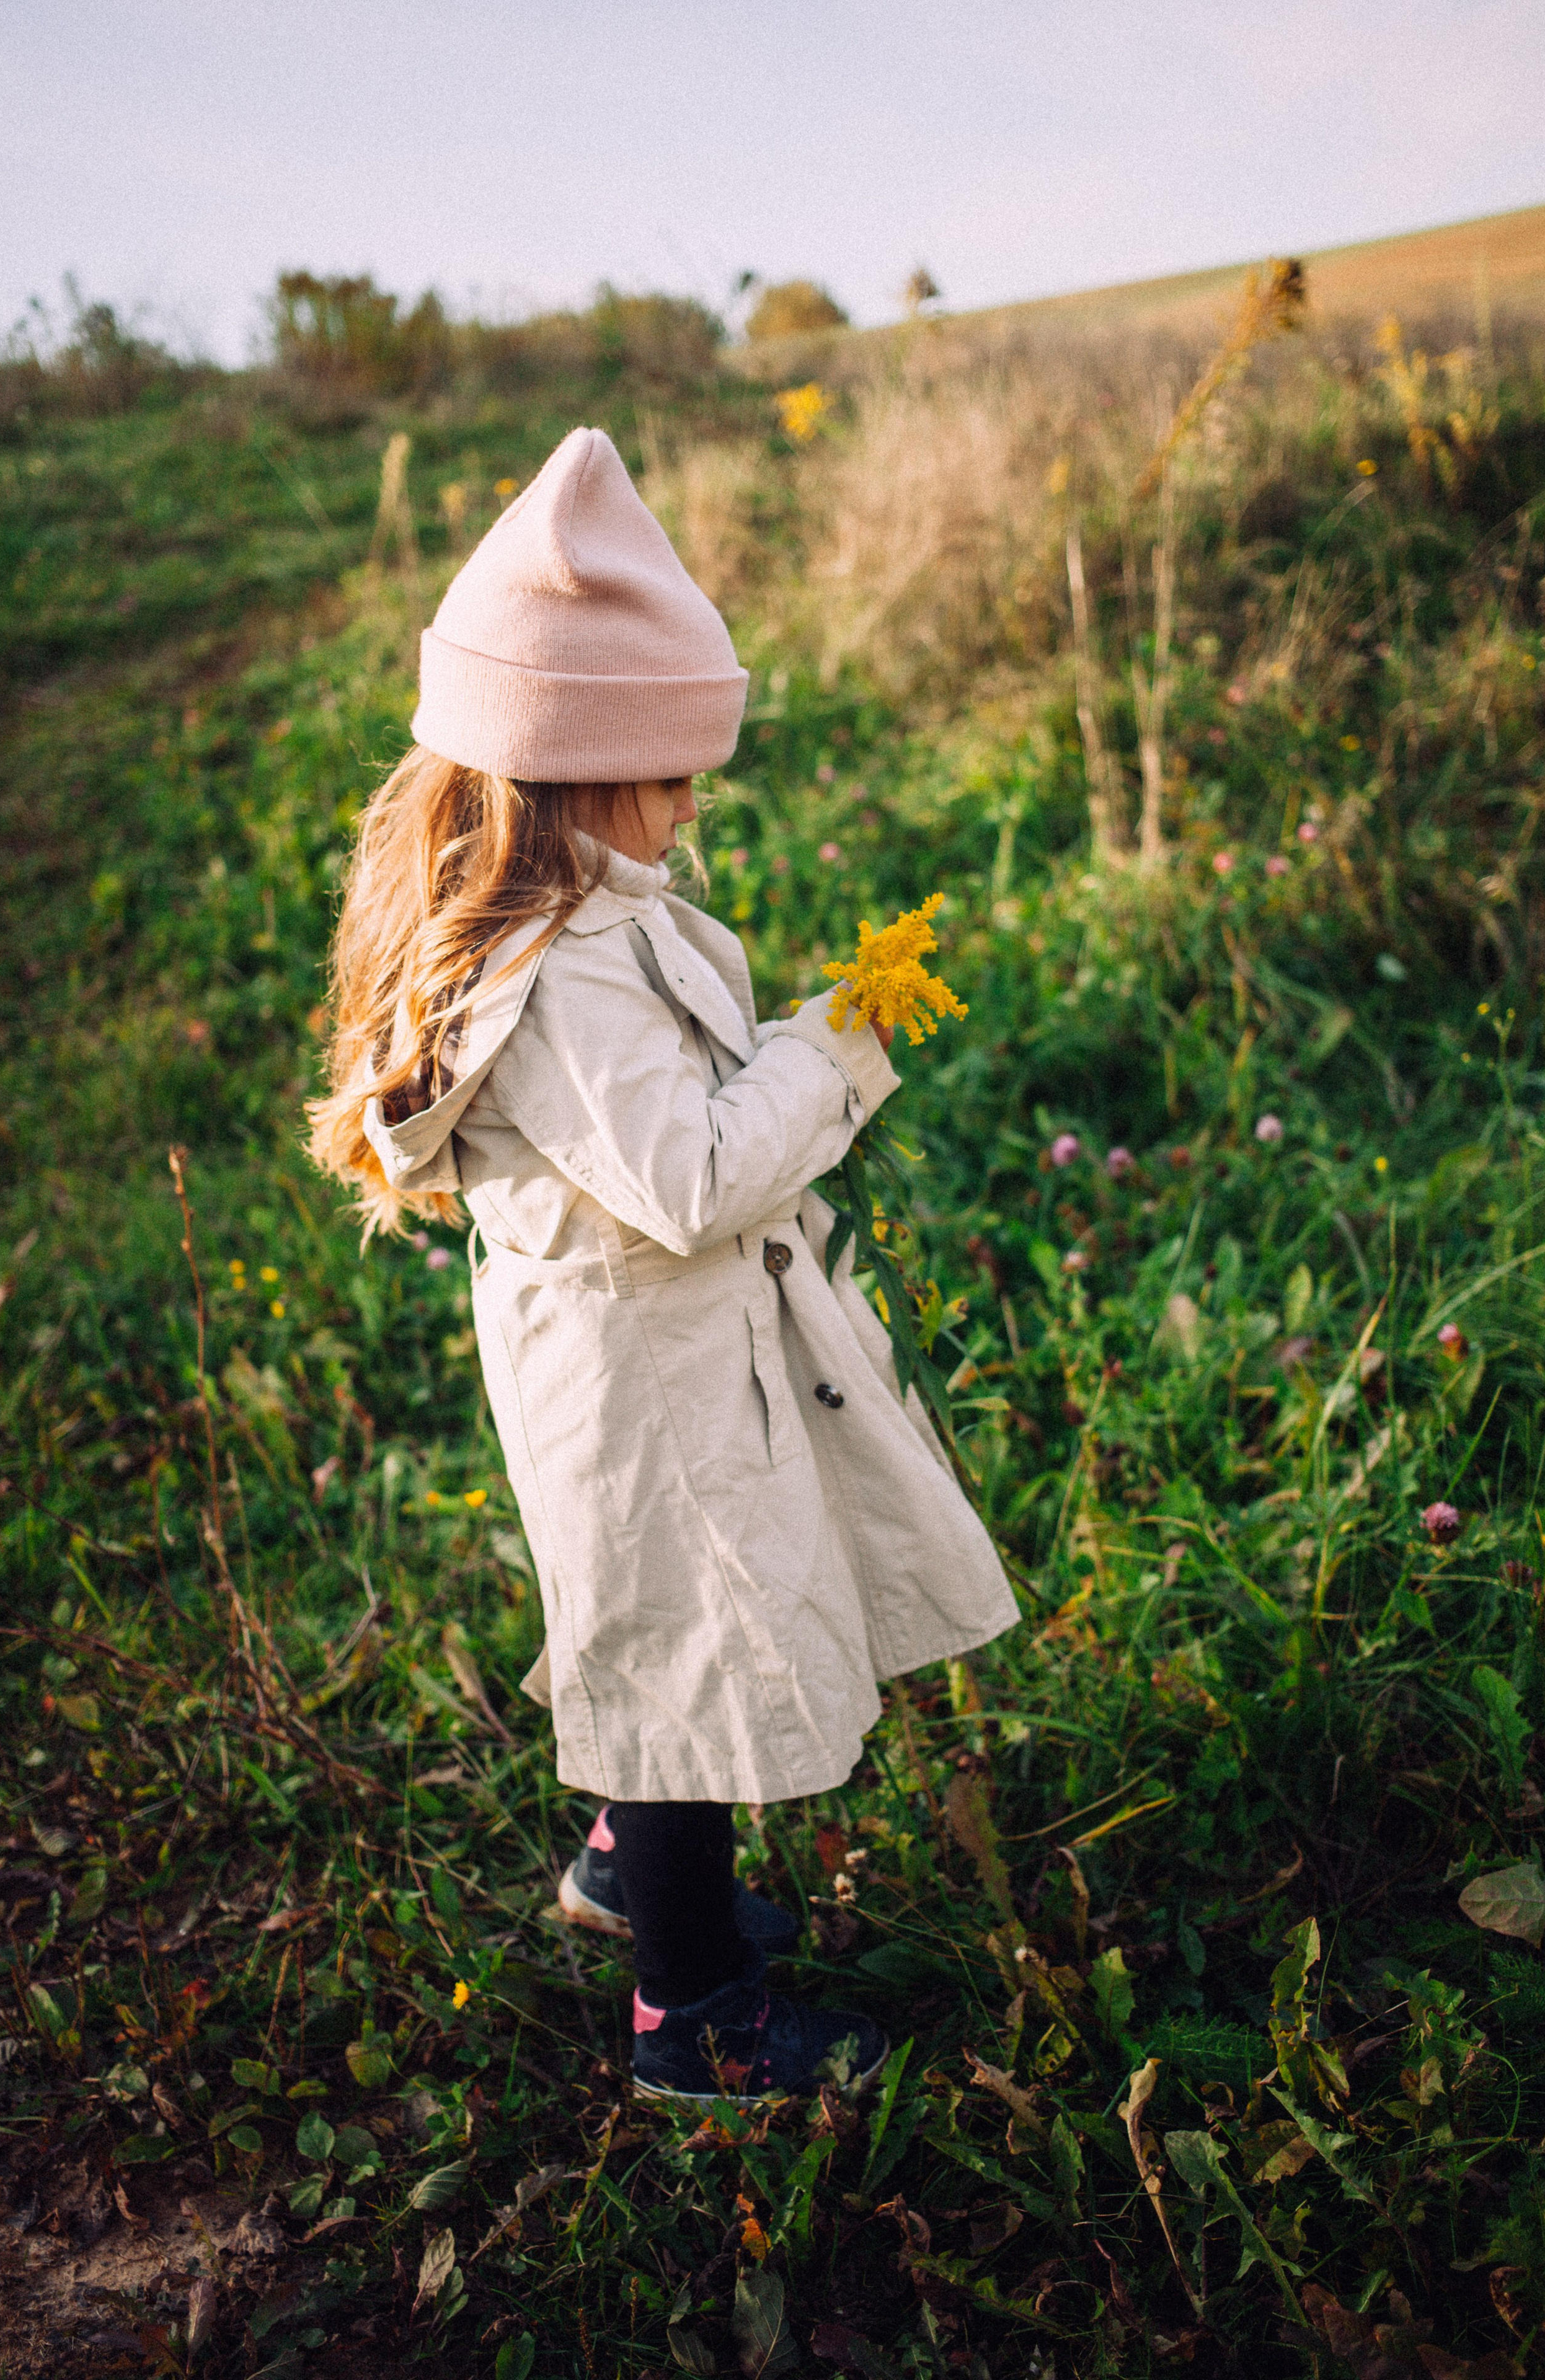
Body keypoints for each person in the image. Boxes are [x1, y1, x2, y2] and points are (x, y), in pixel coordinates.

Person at [309, 426, 1017, 2104]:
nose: (694, 804)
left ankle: (629, 1862)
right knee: (680, 1653)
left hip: (641, 1364)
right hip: (646, 1383)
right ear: (573, 762)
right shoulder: (562, 974)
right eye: (674, 770)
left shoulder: (570, 929)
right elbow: (689, 1174)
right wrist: (833, 1054)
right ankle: (690, 2017)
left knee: (657, 1622)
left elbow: (663, 1139)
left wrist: (784, 1050)